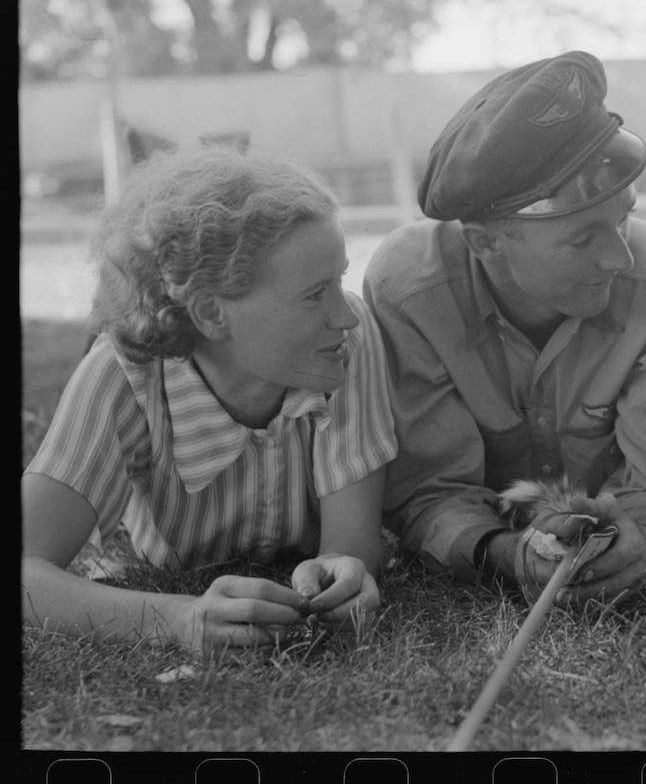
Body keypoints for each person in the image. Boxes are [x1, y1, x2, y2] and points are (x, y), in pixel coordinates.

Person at [364, 51, 646, 605]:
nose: (620, 258)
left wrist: (644, 545)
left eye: (624, 217)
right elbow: (430, 491)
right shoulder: (410, 292)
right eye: (582, 239)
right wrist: (505, 555)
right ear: (484, 243)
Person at [21, 146, 398, 653]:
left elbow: (353, 540)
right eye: (314, 295)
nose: (345, 315)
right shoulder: (121, 377)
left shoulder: (345, 343)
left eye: (340, 282)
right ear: (211, 314)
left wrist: (345, 567)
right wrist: (178, 619)